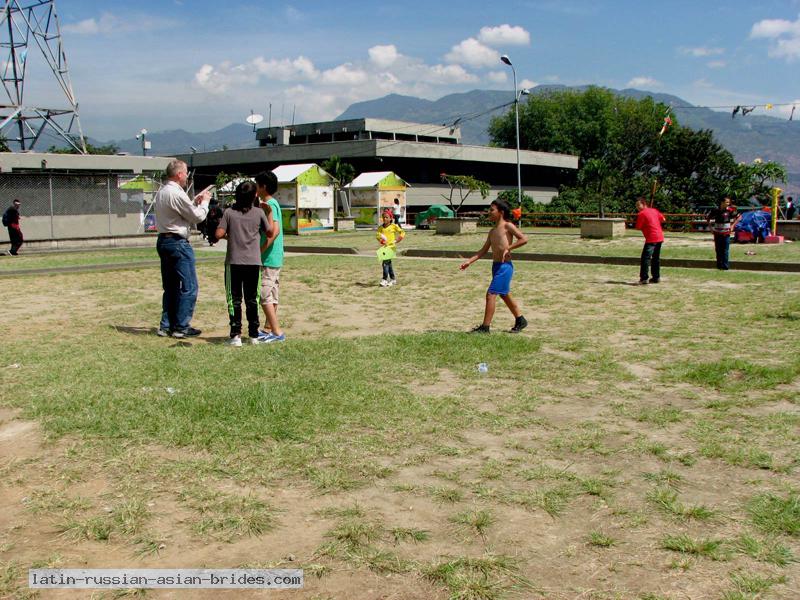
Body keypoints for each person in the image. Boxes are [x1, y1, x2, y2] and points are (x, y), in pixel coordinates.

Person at [154, 159, 211, 338]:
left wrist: (193, 201)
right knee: (189, 286)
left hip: (163, 240)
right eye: (186, 172)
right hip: (178, 243)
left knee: (170, 286)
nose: (187, 176)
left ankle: (166, 325)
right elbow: (196, 217)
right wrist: (205, 203)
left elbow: (180, 212)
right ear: (179, 174)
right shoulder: (176, 193)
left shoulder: (162, 191)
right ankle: (181, 326)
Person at [215, 181, 271, 346]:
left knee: (234, 299)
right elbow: (269, 232)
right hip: (254, 262)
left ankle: (235, 335)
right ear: (254, 196)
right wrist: (268, 214)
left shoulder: (229, 213)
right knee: (252, 298)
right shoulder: (259, 213)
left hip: (234, 262)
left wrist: (230, 235)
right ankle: (254, 334)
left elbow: (218, 234)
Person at [460, 199, 528, 333]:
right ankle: (521, 320)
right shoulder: (492, 231)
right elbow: (483, 251)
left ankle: (485, 327)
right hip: (496, 266)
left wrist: (509, 248)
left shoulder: (508, 226)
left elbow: (524, 239)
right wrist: (469, 261)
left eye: (492, 210)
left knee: (491, 294)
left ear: (501, 212)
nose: (489, 212)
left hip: (505, 267)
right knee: (504, 294)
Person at [254, 171, 286, 343]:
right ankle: (268, 329)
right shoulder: (271, 203)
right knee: (272, 293)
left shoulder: (269, 205)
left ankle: (276, 331)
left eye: (257, 185)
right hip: (273, 257)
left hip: (269, 257)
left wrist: (260, 251)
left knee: (264, 294)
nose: (255, 188)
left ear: (263, 186)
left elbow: (274, 232)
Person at [634, 197, 665, 284]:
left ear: (644, 204)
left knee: (645, 258)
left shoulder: (641, 214)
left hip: (652, 237)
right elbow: (663, 219)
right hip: (659, 236)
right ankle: (656, 277)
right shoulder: (654, 210)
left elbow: (638, 227)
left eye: (638, 205)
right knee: (655, 258)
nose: (637, 207)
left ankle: (644, 278)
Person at [706, 197, 741, 270]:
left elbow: (739, 217)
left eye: (729, 202)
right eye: (727, 202)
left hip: (726, 233)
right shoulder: (715, 210)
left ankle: (725, 266)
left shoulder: (730, 210)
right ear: (722, 202)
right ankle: (719, 266)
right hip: (717, 233)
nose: (728, 204)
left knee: (725, 250)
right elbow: (708, 218)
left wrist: (732, 225)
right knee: (718, 250)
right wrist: (711, 228)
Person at [376, 210, 404, 286]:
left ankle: (384, 279)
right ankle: (393, 279)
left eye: (386, 217)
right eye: (383, 217)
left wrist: (397, 240)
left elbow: (402, 232)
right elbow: (377, 236)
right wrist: (381, 241)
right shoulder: (380, 228)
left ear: (390, 218)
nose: (385, 219)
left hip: (391, 247)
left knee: (385, 263)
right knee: (388, 263)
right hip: (384, 248)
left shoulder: (393, 226)